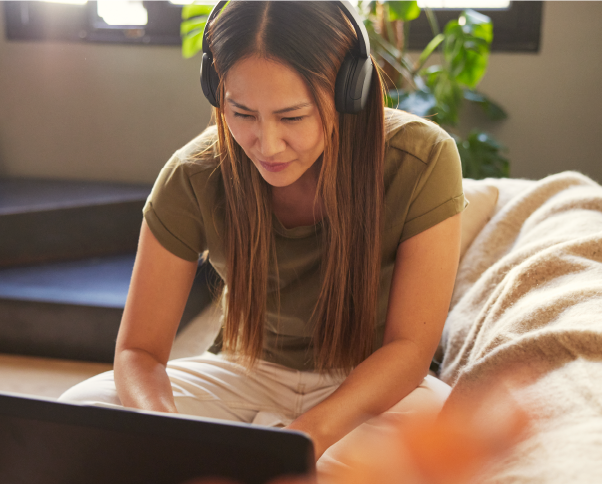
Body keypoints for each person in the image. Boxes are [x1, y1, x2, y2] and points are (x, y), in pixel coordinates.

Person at [60, 0, 465, 480]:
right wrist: (163, 435)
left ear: (348, 91)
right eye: (242, 113)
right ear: (218, 92)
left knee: (389, 459)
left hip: (372, 385)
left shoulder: (421, 158)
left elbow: (409, 350)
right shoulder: (194, 173)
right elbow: (138, 353)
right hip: (247, 372)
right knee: (81, 413)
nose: (266, 144)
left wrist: (304, 435)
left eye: (292, 117)